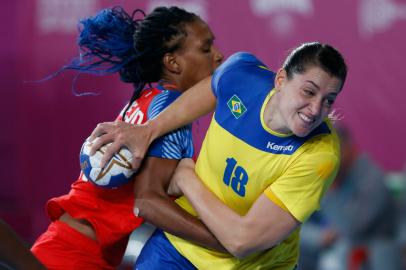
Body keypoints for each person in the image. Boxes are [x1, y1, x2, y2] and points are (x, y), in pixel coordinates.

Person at [90, 42, 348, 269]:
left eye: (329, 100)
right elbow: (206, 92)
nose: (316, 109)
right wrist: (146, 131)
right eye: (309, 91)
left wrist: (186, 178)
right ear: (280, 79)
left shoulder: (320, 155)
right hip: (178, 250)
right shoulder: (240, 76)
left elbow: (241, 241)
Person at [31, 6, 224, 269]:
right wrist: (227, 242)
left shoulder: (145, 100)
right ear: (173, 62)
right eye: (205, 49)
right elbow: (148, 202)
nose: (219, 56)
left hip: (62, 246)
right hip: (75, 257)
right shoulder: (168, 107)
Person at [299, 124, 399, 270]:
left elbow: (352, 228)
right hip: (325, 247)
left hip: (370, 251)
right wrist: (320, 237)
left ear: (348, 148)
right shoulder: (320, 177)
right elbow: (295, 225)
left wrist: (331, 187)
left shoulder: (371, 177)